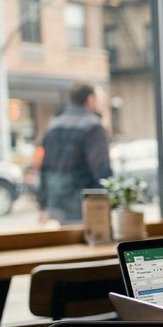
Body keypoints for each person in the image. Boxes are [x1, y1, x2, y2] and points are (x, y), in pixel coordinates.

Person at [37, 83, 111, 224]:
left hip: (55, 204)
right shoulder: (93, 127)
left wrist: (43, 204)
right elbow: (102, 171)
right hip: (82, 205)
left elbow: (44, 167)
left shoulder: (53, 125)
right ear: (90, 99)